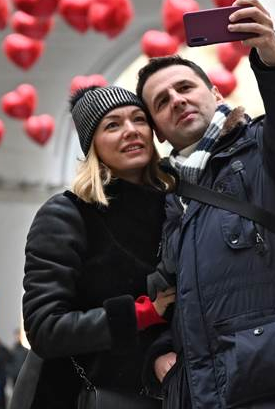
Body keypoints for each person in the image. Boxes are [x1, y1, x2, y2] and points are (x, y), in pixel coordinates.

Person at [136, 0, 275, 407]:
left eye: (185, 87)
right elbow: (165, 296)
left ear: (214, 91)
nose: (176, 100)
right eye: (161, 101)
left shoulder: (269, 153)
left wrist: (274, 57)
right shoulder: (167, 201)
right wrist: (159, 353)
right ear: (157, 130)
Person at [21, 86, 177, 407]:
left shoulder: (177, 207)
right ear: (92, 145)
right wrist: (141, 314)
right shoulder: (68, 214)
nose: (131, 131)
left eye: (139, 119)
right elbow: (44, 327)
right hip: (79, 396)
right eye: (112, 125)